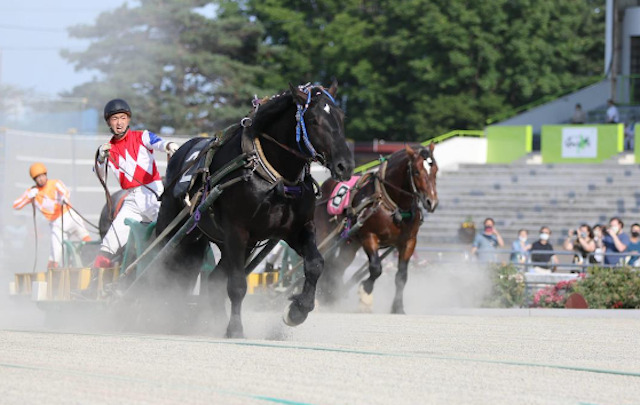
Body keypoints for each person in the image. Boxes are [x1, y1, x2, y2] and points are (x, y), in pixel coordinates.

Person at [87, 99, 179, 293]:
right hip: (132, 201)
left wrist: (169, 144)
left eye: (122, 117)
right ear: (108, 123)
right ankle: (92, 288)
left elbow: (159, 143)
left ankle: (174, 286)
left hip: (155, 196)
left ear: (128, 119)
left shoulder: (142, 136)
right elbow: (100, 176)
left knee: (171, 239)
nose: (119, 122)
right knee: (109, 243)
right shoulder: (107, 149)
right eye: (114, 119)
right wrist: (101, 159)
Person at [13, 163, 92, 269]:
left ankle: (93, 262)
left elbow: (65, 191)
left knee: (86, 239)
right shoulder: (32, 192)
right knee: (55, 254)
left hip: (69, 215)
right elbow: (16, 205)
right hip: (56, 223)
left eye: (42, 176)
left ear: (46, 174)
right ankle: (52, 277)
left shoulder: (55, 183)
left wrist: (64, 198)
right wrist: (29, 196)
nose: (41, 179)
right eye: (37, 178)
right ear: (34, 180)